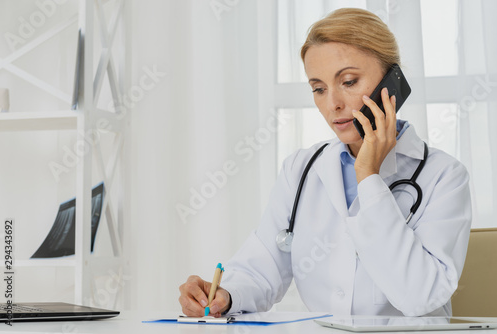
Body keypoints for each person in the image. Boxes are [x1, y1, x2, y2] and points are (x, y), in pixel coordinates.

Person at [178, 8, 471, 317]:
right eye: (318, 88)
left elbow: (419, 296)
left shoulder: (444, 176)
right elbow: (262, 269)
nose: (333, 104)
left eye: (348, 81)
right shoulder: (302, 169)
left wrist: (369, 178)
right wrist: (225, 294)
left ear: (392, 82)